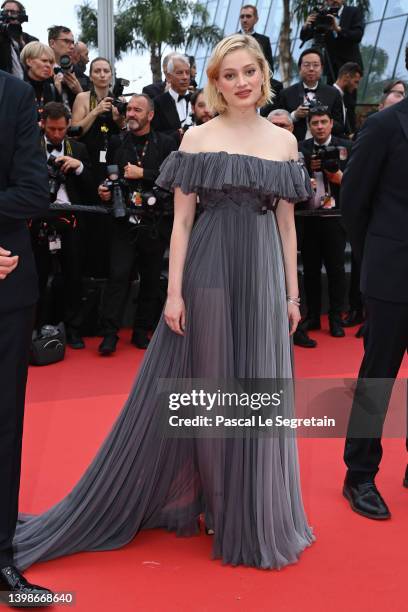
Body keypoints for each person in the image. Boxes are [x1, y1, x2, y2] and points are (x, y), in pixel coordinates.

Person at [13, 33, 313, 571]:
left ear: (262, 74)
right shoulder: (197, 139)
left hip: (264, 273)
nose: (241, 83)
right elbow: (180, 223)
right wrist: (173, 293)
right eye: (229, 75)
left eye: (249, 72)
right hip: (211, 271)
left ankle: (253, 504)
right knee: (217, 387)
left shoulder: (284, 143)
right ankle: (221, 505)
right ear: (216, 84)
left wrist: (292, 294)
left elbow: (288, 225)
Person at [341, 45, 408, 520]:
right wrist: (375, 262)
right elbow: (353, 204)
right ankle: (359, 475)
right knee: (378, 378)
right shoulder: (384, 126)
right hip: (391, 275)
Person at [0, 69, 51, 601]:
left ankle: (2, 555)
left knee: (3, 425)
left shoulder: (12, 94)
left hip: (6, 285)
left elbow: (33, 190)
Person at [97, 94, 176, 354]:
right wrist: (105, 190)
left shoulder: (166, 143)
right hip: (123, 222)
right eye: (129, 109)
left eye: (137, 110)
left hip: (154, 222)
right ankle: (110, 334)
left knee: (151, 279)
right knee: (117, 277)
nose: (130, 113)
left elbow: (173, 178)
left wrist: (144, 174)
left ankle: (142, 331)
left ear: (150, 115)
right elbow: (107, 175)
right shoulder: (118, 142)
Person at [32, 102, 93, 349]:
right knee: (37, 277)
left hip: (72, 220)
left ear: (69, 125)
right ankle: (36, 327)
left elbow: (92, 190)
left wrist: (78, 167)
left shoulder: (78, 148)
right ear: (42, 124)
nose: (56, 134)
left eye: (61, 129)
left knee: (74, 277)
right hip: (38, 219)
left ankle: (74, 329)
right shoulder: (30, 149)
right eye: (51, 129)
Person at [298, 106, 351, 340]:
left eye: (323, 122)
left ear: (331, 123)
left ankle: (336, 318)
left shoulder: (345, 147)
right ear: (309, 126)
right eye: (315, 123)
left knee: (336, 270)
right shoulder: (301, 149)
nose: (319, 126)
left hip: (335, 217)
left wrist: (339, 176)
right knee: (309, 270)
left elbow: (357, 180)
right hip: (308, 217)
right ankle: (312, 316)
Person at [267, 109, 317, 350]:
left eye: (284, 125)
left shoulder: (296, 154)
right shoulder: (257, 151)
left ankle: (298, 329)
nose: (279, 129)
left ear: (292, 129)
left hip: (294, 224)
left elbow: (305, 194)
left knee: (294, 275)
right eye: (274, 124)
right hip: (260, 228)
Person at [71, 56, 124, 277]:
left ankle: (106, 271)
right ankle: (88, 272)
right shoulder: (83, 97)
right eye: (97, 71)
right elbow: (75, 131)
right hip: (88, 160)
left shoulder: (117, 99)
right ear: (91, 75)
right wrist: (95, 111)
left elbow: (123, 132)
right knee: (88, 215)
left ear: (111, 75)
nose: (102, 75)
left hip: (110, 162)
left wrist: (117, 117)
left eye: (106, 71)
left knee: (108, 220)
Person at [277, 48, 345, 141]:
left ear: (321, 68)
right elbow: (276, 124)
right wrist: (295, 116)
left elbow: (340, 126)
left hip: (325, 146)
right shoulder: (286, 93)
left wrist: (324, 118)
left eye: (316, 65)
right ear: (300, 68)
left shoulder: (333, 93)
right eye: (307, 65)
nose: (311, 69)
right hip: (295, 144)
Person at [300, 0, 364, 84]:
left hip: (350, 68)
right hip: (331, 68)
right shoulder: (323, 15)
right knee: (331, 95)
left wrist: (338, 29)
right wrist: (306, 26)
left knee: (347, 97)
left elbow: (357, 35)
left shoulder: (353, 11)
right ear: (326, 1)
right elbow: (305, 37)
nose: (334, 1)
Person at [152, 54, 193, 143]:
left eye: (187, 72)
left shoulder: (198, 99)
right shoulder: (158, 103)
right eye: (180, 73)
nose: (185, 77)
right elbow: (155, 136)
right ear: (169, 77)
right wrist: (178, 134)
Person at [20, 41, 61, 122]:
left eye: (51, 62)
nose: (48, 65)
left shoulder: (52, 89)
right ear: (29, 61)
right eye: (44, 61)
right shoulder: (17, 88)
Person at [48, 25, 83, 110]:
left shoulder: (80, 73)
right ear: (52, 43)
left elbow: (93, 107)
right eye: (66, 41)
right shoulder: (42, 71)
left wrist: (80, 92)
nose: (72, 47)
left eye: (72, 42)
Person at [0, 0, 37, 78]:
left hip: (26, 86)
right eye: (6, 12)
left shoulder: (32, 41)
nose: (9, 15)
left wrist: (23, 46)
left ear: (21, 15)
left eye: (13, 12)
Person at [239, 4, 273, 73]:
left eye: (248, 16)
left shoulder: (264, 41)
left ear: (256, 19)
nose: (244, 20)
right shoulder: (231, 39)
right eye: (242, 17)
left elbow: (270, 67)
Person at [333, 61, 363, 136]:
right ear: (346, 77)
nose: (356, 87)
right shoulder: (328, 95)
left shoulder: (345, 98)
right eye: (355, 82)